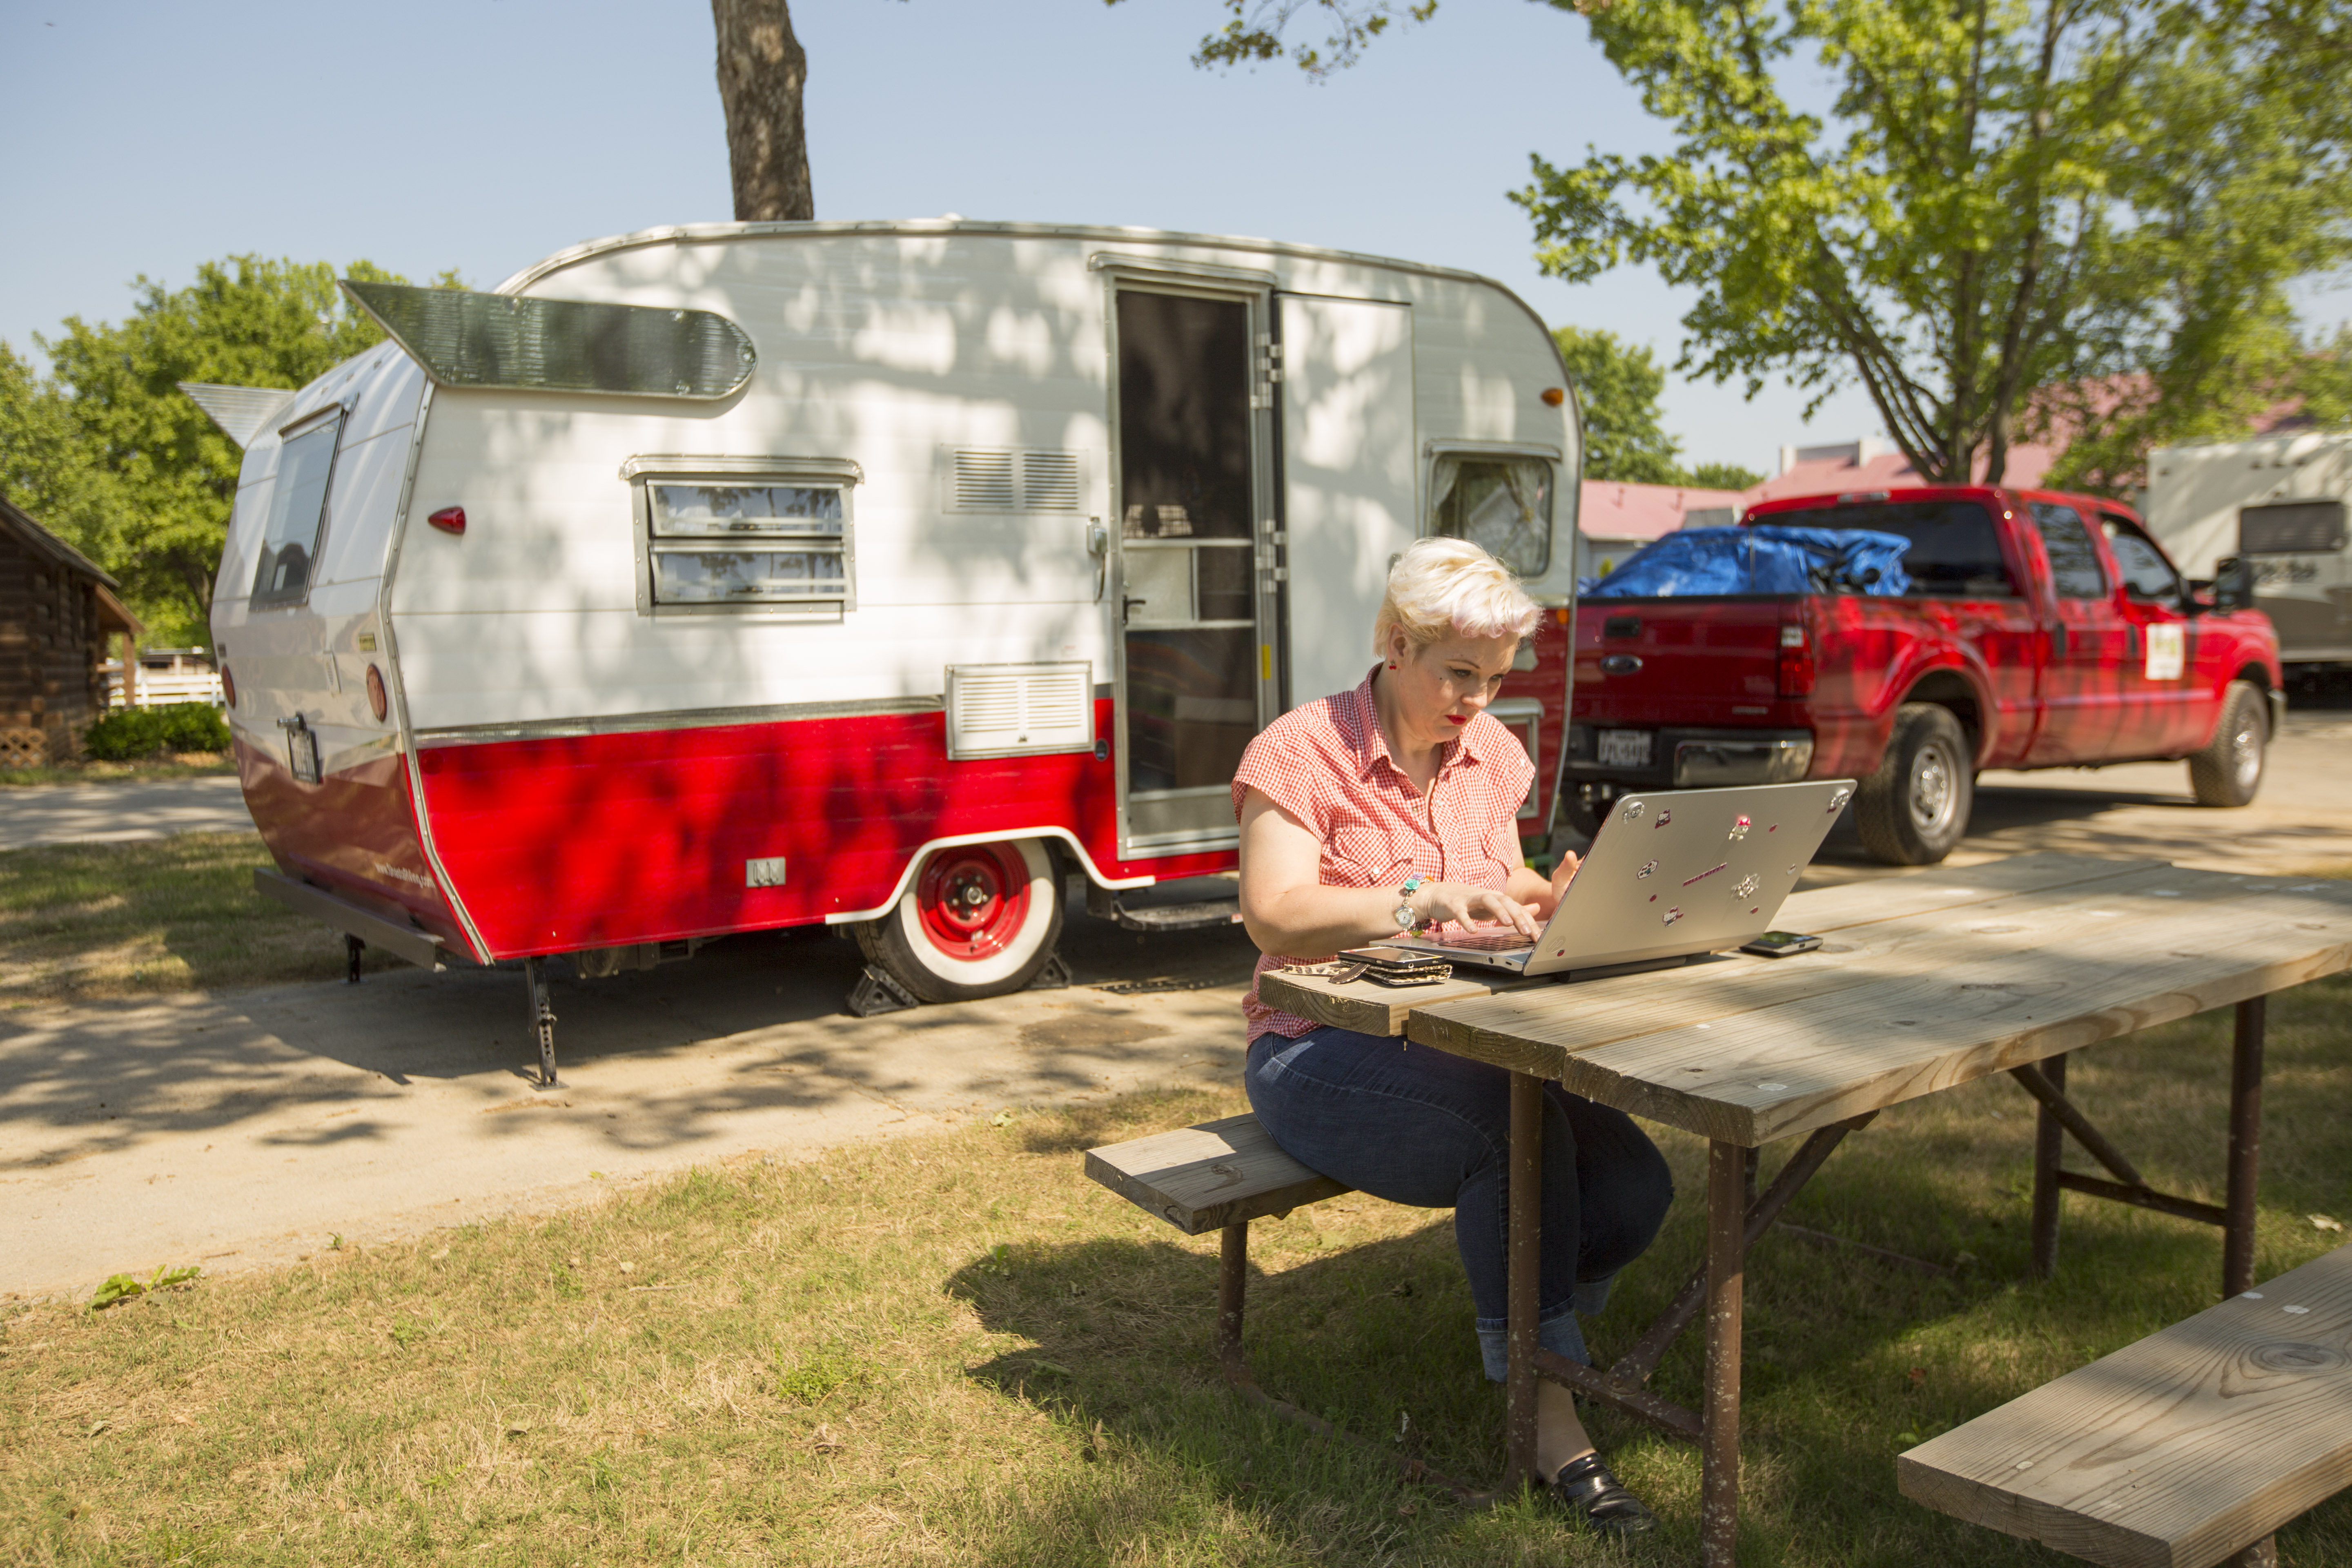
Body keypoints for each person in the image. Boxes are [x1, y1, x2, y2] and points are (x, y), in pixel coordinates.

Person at [1231, 536, 1673, 1534]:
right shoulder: (1300, 750)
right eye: (1459, 674)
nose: (1478, 700)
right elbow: (1275, 916)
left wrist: (1551, 896)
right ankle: (1548, 1418)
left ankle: (1538, 1318)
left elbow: (1496, 877)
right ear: (1395, 643)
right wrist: (1420, 899)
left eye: (1497, 678)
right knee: (1509, 1141)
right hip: (1314, 1046)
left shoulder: (1492, 755)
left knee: (1640, 1188)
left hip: (1461, 1033)